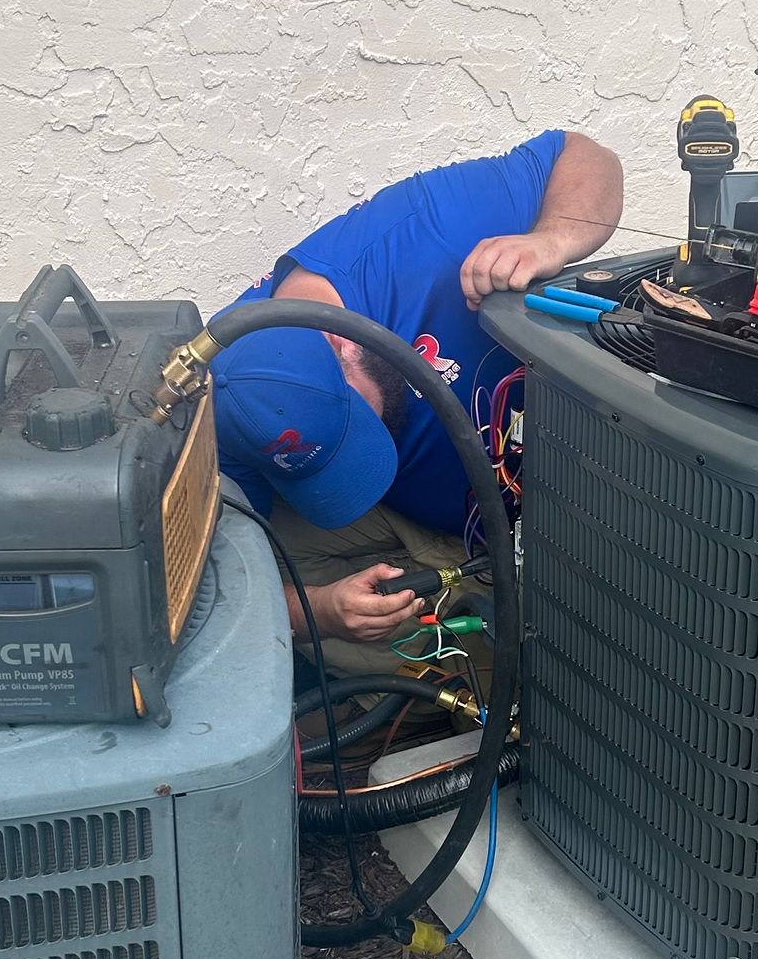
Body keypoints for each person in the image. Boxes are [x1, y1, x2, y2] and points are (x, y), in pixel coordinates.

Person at [212, 130, 624, 667]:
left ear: (341, 342)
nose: (361, 452)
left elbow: (587, 156)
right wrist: (323, 609)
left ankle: (514, 661)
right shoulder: (222, 395)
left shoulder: (424, 234)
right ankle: (473, 650)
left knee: (581, 650)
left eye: (360, 429)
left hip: (572, 510)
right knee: (267, 575)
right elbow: (215, 582)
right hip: (437, 519)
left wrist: (551, 240)